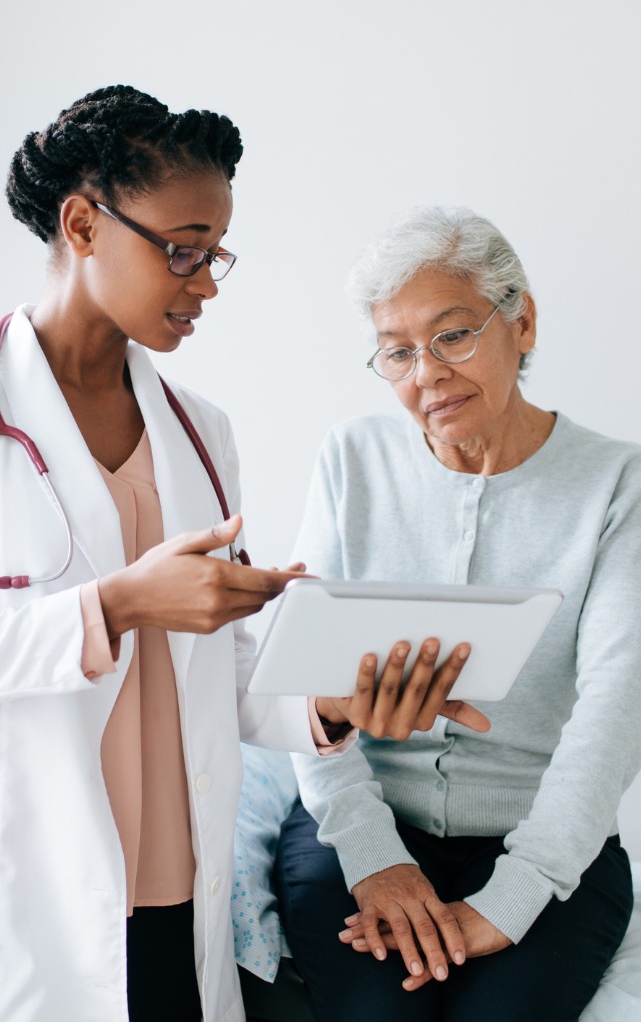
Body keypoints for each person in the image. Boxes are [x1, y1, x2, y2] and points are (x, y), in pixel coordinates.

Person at [0, 90, 484, 1022]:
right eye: (184, 249)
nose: (204, 283)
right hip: (14, 890)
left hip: (173, 884)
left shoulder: (203, 434)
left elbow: (222, 677)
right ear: (83, 223)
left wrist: (329, 700)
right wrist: (114, 607)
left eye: (216, 257)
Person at [275, 206, 641, 1022]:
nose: (427, 374)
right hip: (358, 829)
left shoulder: (619, 485)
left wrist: (513, 898)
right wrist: (374, 860)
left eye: (451, 336)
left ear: (522, 323)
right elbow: (307, 688)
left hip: (546, 846)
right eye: (398, 352)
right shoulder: (351, 459)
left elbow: (615, 711)